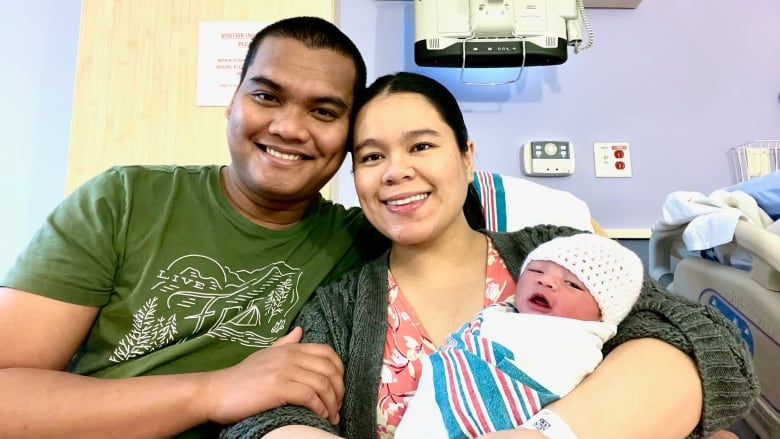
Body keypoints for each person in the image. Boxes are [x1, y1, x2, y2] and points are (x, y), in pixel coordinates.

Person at [220, 72, 758, 439]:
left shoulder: (552, 255)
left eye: (422, 146)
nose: (395, 171)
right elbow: (267, 418)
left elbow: (708, 343)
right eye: (371, 156)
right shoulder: (341, 306)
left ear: (467, 155)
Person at [0, 16, 385, 438]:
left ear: (350, 136)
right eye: (266, 96)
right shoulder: (123, 200)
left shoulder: (364, 241)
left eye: (323, 111)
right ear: (233, 101)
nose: (289, 128)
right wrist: (213, 391)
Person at [395, 233, 644, 438]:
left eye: (572, 284)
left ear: (601, 315)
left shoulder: (577, 343)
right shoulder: (503, 313)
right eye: (536, 271)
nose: (546, 282)